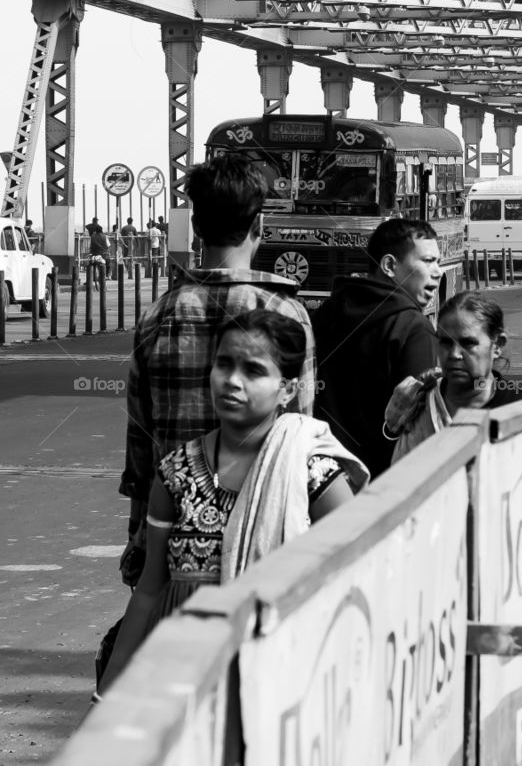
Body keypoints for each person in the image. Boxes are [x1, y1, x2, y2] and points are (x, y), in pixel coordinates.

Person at [100, 310, 367, 694]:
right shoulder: (176, 474)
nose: (231, 381)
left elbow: (357, 571)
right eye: (223, 364)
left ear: (288, 389)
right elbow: (149, 590)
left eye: (254, 371)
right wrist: (104, 695)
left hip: (279, 680)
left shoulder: (310, 473)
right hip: (183, 680)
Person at [119, 154, 317, 588]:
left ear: (196, 227)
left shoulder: (159, 315)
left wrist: (139, 527)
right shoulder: (287, 311)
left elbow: (140, 436)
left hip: (175, 533)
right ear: (259, 226)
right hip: (263, 532)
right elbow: (298, 435)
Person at [313, 218, 442, 478]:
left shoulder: (327, 311)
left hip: (322, 477)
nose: (438, 271)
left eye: (437, 262)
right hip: (381, 482)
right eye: (428, 261)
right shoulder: (413, 329)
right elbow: (416, 425)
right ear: (390, 265)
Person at [383, 293, 522, 461]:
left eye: (468, 344)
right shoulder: (416, 404)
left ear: (497, 345)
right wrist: (392, 427)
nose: (454, 354)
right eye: (445, 342)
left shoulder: (521, 411)